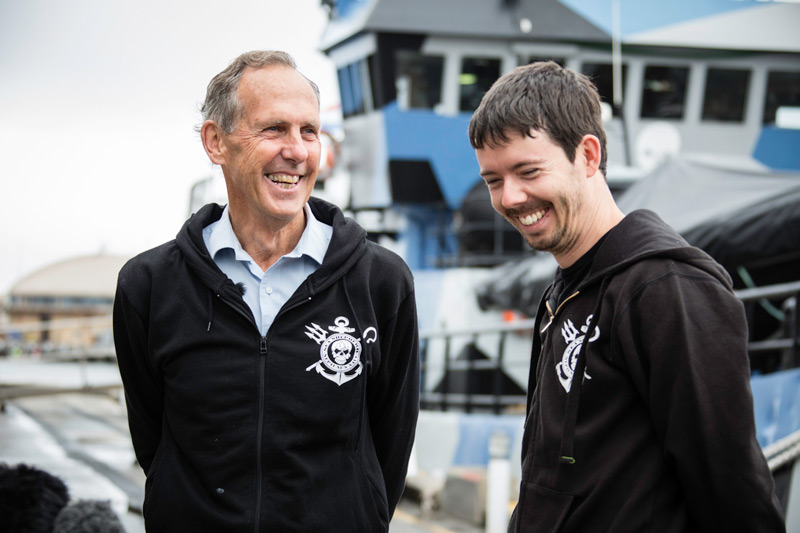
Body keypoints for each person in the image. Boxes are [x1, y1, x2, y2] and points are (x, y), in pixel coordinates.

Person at [468, 61, 785, 532]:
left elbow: (731, 488)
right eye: (494, 180)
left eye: (528, 171)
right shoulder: (565, 290)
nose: (510, 197)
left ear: (589, 156)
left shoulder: (667, 289)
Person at [113, 50, 420, 532]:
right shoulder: (150, 285)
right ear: (216, 142)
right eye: (274, 129)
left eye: (309, 131)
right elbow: (155, 442)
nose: (297, 151)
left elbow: (391, 444)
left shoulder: (381, 283)